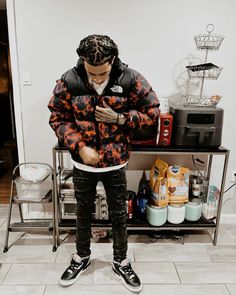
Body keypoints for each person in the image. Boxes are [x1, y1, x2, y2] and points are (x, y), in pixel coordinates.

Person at [48, 34, 160, 293]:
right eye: (91, 73)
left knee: (119, 214)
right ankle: (81, 258)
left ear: (113, 61)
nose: (96, 79)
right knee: (83, 213)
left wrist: (120, 119)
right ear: (83, 62)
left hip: (116, 162)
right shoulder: (70, 80)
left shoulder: (131, 78)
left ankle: (120, 261)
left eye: (102, 73)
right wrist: (80, 146)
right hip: (83, 165)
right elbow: (58, 117)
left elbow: (153, 112)